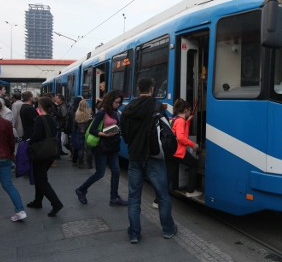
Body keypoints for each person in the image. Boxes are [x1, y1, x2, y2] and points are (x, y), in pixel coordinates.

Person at [120, 78, 177, 244]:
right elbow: (166, 130)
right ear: (152, 89)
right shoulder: (157, 106)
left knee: (134, 197)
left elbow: (123, 132)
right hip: (153, 157)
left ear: (138, 88)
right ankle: (168, 229)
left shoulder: (128, 108)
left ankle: (134, 233)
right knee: (162, 195)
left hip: (135, 157)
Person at [75, 91, 127, 206]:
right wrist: (105, 134)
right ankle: (81, 189)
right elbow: (93, 129)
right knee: (100, 173)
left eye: (119, 102)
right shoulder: (102, 113)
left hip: (113, 146)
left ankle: (114, 197)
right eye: (116, 102)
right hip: (102, 146)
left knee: (116, 171)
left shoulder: (115, 112)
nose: (118, 104)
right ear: (110, 101)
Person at [27, 96, 64, 217]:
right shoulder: (51, 119)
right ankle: (38, 201)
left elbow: (36, 136)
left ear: (40, 106)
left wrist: (29, 142)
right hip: (50, 152)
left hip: (41, 153)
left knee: (41, 180)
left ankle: (56, 203)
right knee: (41, 177)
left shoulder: (40, 119)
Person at [170, 99, 202, 197]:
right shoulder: (180, 121)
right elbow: (180, 137)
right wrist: (193, 145)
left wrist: (188, 122)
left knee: (169, 176)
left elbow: (182, 131)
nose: (190, 111)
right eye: (189, 110)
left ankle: (157, 200)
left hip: (173, 151)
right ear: (185, 110)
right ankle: (190, 191)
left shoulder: (176, 119)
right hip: (179, 151)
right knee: (194, 164)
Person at [72, 98, 91, 169]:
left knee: (81, 149)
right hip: (88, 133)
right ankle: (89, 164)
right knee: (89, 149)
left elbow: (75, 126)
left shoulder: (77, 114)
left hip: (80, 132)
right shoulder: (89, 113)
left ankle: (80, 164)